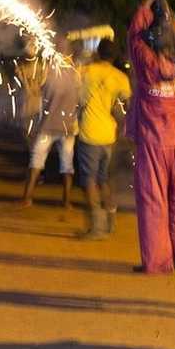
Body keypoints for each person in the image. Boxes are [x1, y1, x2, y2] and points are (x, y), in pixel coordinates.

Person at [125, 0, 175, 274]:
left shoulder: (148, 66)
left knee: (153, 199)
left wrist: (147, 1)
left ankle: (157, 261)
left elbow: (134, 34)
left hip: (153, 143)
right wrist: (170, 20)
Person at [76, 39, 132, 239]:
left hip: (89, 133)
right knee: (104, 179)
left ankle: (97, 227)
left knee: (89, 181)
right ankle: (110, 221)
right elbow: (126, 104)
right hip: (109, 134)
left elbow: (78, 98)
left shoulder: (86, 71)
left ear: (98, 53)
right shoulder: (120, 77)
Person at [19, 41, 82, 210]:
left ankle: (27, 198)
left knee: (36, 163)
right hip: (67, 127)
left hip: (47, 126)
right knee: (67, 166)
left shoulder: (49, 74)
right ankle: (67, 202)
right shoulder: (76, 76)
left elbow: (38, 92)